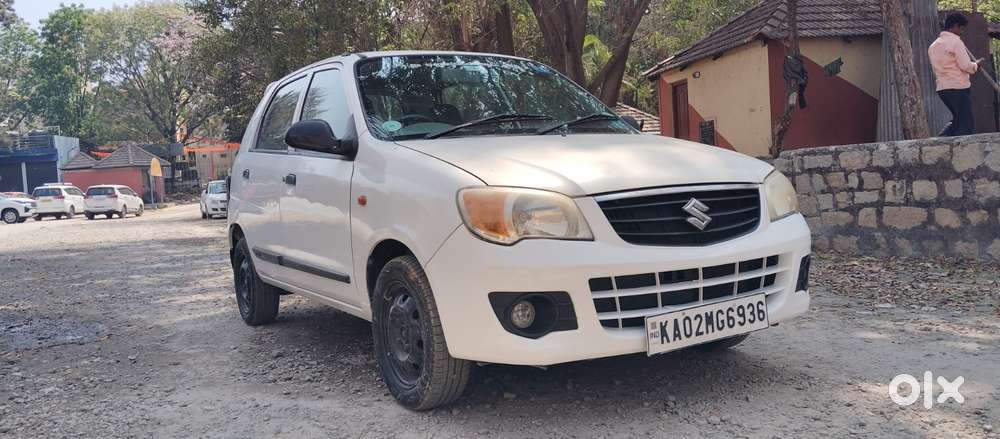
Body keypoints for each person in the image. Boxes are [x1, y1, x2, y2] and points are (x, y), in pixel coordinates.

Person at [928, 13, 983, 137]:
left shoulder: (933, 46)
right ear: (955, 26)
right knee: (966, 124)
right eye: (961, 28)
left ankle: (938, 142)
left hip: (943, 89)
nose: (961, 32)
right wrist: (975, 65)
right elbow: (965, 66)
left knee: (958, 121)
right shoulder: (955, 42)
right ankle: (960, 147)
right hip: (957, 87)